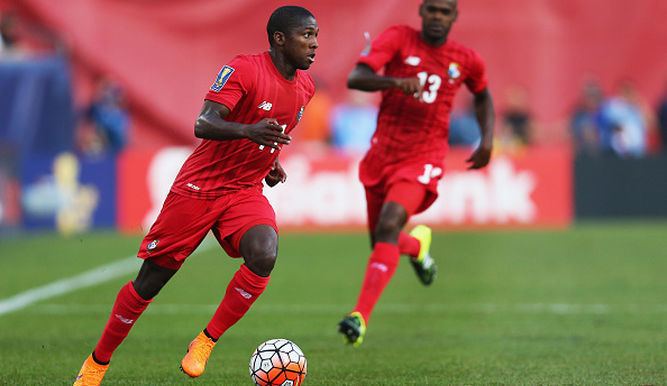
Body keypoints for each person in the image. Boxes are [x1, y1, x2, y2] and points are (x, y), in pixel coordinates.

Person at [73, 6, 318, 385]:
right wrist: (247, 131)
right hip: (199, 188)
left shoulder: (306, 88)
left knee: (264, 253)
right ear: (279, 39)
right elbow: (204, 123)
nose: (314, 44)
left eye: (316, 35)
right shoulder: (245, 69)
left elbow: (272, 132)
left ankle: (204, 341)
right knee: (149, 282)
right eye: (306, 35)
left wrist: (270, 160)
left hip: (243, 190)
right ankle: (97, 364)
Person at [337, 0, 494, 346]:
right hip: (382, 154)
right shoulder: (398, 39)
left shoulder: (466, 59)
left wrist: (487, 140)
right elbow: (357, 77)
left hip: (423, 157)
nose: (438, 17)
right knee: (382, 241)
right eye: (433, 10)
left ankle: (359, 316)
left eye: (445, 11)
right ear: (421, 11)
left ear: (454, 16)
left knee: (389, 224)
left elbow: (482, 95)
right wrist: (395, 81)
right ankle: (418, 246)